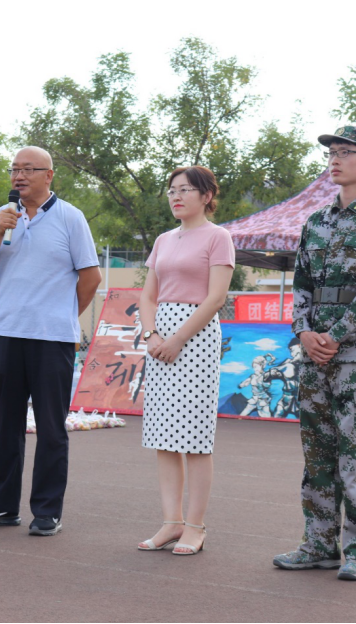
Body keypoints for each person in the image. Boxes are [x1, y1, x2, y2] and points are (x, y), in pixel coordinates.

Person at [275, 126, 356, 581]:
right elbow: (302, 284)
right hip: (315, 356)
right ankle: (318, 544)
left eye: (345, 152)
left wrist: (334, 335)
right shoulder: (315, 222)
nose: (334, 159)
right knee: (318, 455)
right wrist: (305, 332)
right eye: (331, 152)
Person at [0, 146, 101, 536]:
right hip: (3, 334)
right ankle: (3, 505)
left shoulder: (70, 217)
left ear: (48, 175)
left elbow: (91, 277)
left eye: (28, 169)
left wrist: (62, 315)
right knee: (7, 425)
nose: (18, 176)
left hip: (51, 340)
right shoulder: (0, 216)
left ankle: (47, 510)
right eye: (14, 169)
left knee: (51, 428)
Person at [137, 166, 235, 556]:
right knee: (163, 436)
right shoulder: (163, 240)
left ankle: (195, 526)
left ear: (207, 196)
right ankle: (171, 522)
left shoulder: (218, 237)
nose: (176, 196)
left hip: (196, 338)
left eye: (186, 190)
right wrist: (152, 335)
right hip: (160, 338)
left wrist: (177, 338)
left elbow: (216, 298)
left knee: (194, 437)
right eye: (172, 190)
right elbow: (147, 296)